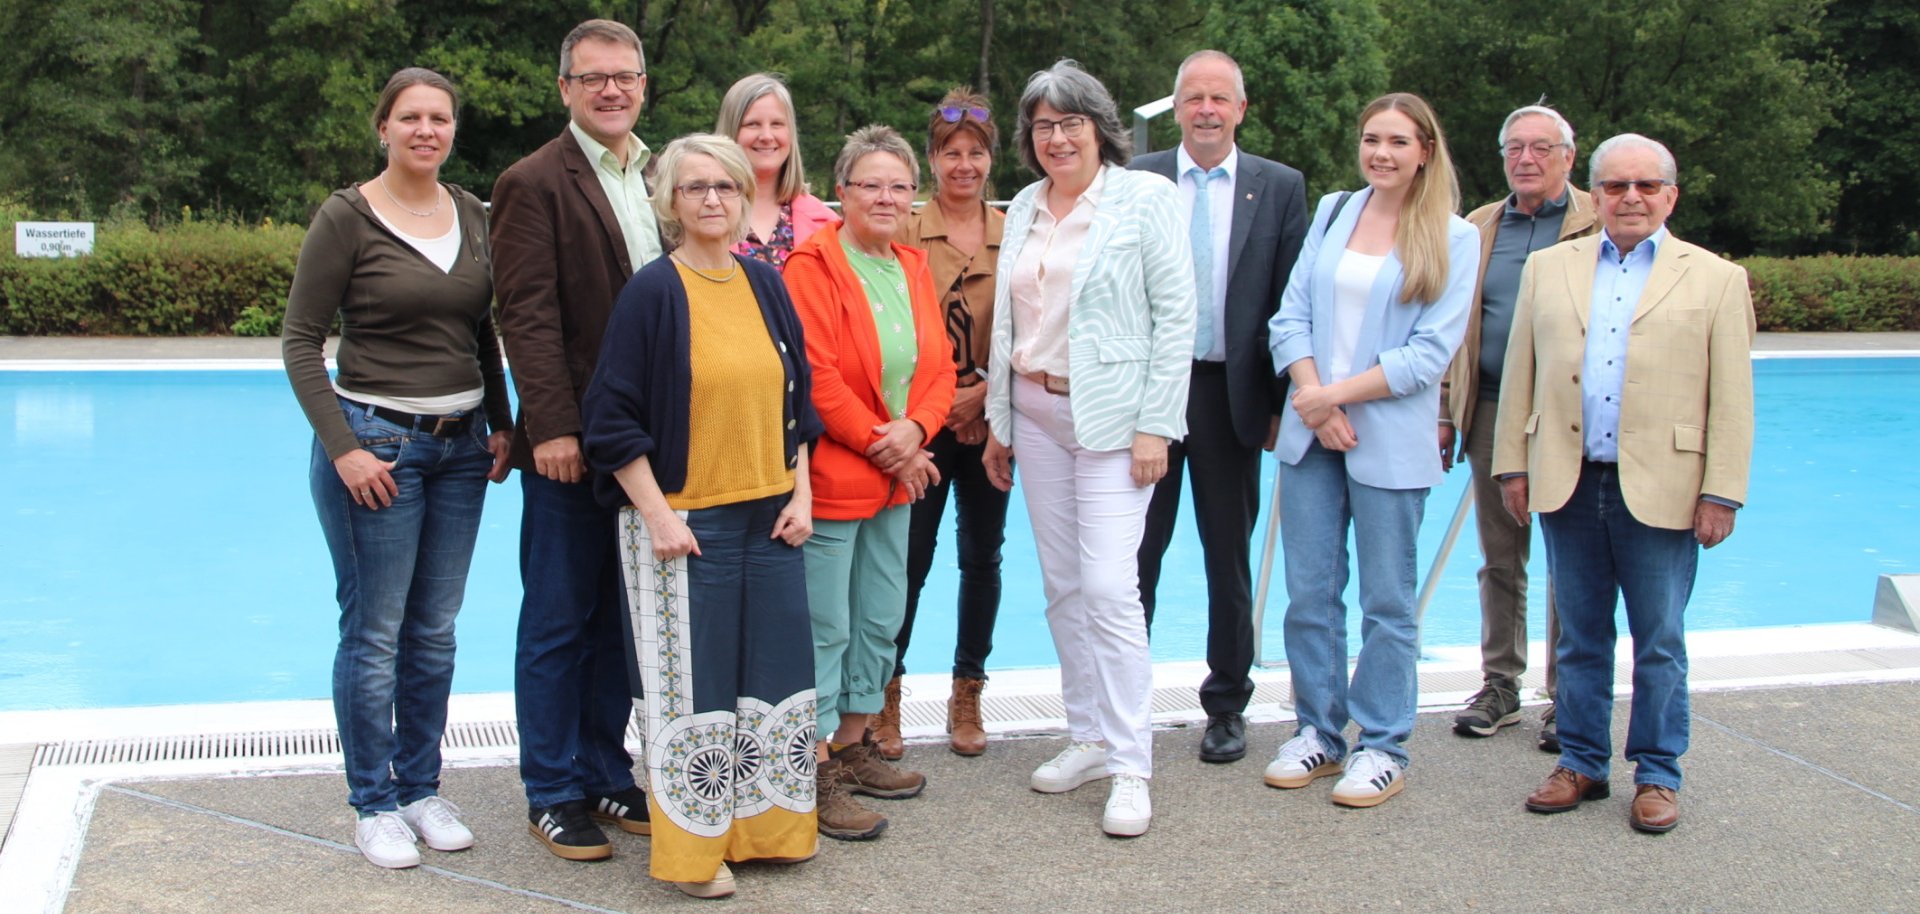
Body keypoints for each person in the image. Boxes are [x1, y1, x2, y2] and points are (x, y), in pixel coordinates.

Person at [282, 67, 513, 869]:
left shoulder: (476, 215)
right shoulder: (347, 217)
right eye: (409, 117)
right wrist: (343, 447)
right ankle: (371, 802)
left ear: (453, 130)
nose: (426, 130)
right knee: (375, 632)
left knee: (435, 631)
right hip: (376, 446)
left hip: (460, 447)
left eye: (439, 118)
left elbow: (481, 332)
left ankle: (419, 787)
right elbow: (300, 342)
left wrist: (504, 423)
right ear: (382, 127)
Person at [582, 134, 823, 900]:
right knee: (693, 694)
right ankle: (692, 855)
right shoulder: (653, 293)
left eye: (725, 185)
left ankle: (766, 832)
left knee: (774, 681)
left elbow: (797, 404)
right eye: (695, 188)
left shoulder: (764, 282)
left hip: (771, 518)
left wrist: (802, 492)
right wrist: (656, 516)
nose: (713, 199)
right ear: (670, 202)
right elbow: (610, 421)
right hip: (686, 524)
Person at [1498, 134, 1754, 834]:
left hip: (1666, 485)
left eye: (1646, 186)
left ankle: (1658, 773)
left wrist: (1721, 490)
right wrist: (1511, 465)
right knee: (1579, 637)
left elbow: (1733, 397)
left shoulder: (1714, 279)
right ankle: (1580, 761)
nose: (1630, 197)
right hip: (1568, 478)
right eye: (1615, 186)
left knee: (1659, 638)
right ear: (1596, 194)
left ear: (1670, 195)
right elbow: (1519, 372)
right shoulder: (1549, 269)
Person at [982, 60, 1196, 838]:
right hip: (1035, 413)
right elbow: (1011, 326)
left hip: (1113, 424)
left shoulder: (1146, 198)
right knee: (1066, 585)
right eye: (1043, 125)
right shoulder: (1029, 206)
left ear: (1099, 127)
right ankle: (1089, 736)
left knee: (1110, 589)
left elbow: (1177, 316)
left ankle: (1132, 764)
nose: (1057, 137)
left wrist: (1156, 426)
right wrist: (1003, 422)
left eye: (1071, 122)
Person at [1261, 92, 1475, 809]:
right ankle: (1319, 732)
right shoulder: (1332, 211)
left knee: (1389, 601)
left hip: (1384, 440)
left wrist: (1335, 398)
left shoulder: (1453, 236)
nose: (1381, 152)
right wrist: (1315, 400)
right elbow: (1289, 317)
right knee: (1311, 595)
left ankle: (1383, 743)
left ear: (1424, 152)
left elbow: (1428, 355)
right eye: (1371, 138)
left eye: (1398, 141)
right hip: (1313, 430)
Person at [492, 18, 663, 862]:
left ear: (642, 84)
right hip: (570, 447)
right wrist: (551, 425)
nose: (610, 90)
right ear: (564, 88)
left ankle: (605, 767)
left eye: (624, 76)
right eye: (592, 77)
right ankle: (551, 787)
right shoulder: (533, 181)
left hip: (647, 446)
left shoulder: (663, 175)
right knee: (560, 617)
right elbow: (525, 314)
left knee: (623, 621)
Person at [1129, 49, 1307, 765]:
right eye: (1193, 98)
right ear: (1176, 109)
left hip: (1230, 395)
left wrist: (1275, 405)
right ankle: (1122, 702)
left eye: (1219, 98)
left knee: (1226, 560)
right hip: (1149, 396)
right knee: (1135, 556)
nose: (1206, 109)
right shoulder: (1139, 181)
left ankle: (1227, 702)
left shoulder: (1281, 186)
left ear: (1241, 108)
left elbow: (1288, 301)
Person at [784, 125, 956, 841]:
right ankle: (811, 767)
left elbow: (940, 368)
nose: (885, 197)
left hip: (896, 482)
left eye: (897, 186)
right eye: (869, 184)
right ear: (841, 193)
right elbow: (818, 379)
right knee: (826, 626)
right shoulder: (811, 266)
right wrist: (893, 446)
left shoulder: (913, 265)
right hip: (837, 477)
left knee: (880, 618)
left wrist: (918, 431)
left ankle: (854, 745)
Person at [1441, 104, 1597, 750]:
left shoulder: (1599, 221)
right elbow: (1458, 326)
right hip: (1494, 409)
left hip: (1570, 416)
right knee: (1500, 557)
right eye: (1514, 149)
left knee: (1572, 559)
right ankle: (1500, 682)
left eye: (1540, 148)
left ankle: (1569, 696)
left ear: (1569, 154)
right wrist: (1450, 407)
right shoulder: (1480, 227)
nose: (1526, 160)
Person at [876, 86, 1011, 761]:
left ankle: (967, 691)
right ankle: (886, 693)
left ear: (991, 160)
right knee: (909, 561)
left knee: (982, 558)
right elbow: (888, 325)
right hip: (922, 425)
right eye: (951, 152)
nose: (964, 165)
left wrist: (984, 398)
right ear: (932, 158)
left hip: (990, 421)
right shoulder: (904, 232)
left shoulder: (1013, 235)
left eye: (975, 153)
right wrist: (940, 403)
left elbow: (1033, 327)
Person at [715, 72, 836, 270]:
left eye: (777, 124)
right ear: (730, 131)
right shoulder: (699, 214)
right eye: (752, 124)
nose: (766, 136)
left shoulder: (828, 224)